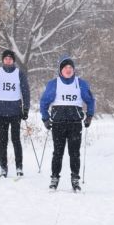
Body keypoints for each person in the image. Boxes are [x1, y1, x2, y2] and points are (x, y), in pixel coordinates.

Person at [39, 56, 95, 192]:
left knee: (74, 153)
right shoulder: (54, 84)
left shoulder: (80, 83)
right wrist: (45, 118)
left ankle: (75, 179)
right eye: (65, 68)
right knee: (58, 153)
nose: (68, 70)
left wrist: (89, 116)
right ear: (60, 70)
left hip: (75, 124)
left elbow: (90, 100)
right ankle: (54, 178)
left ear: (74, 70)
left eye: (70, 68)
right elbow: (44, 102)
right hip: (58, 124)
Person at [0, 49, 30, 178]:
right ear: (3, 60)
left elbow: (26, 92)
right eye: (6, 58)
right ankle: (4, 168)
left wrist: (26, 108)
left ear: (13, 60)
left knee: (16, 140)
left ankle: (19, 168)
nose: (8, 60)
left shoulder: (19, 73)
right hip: (1, 112)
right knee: (3, 142)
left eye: (10, 58)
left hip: (15, 111)